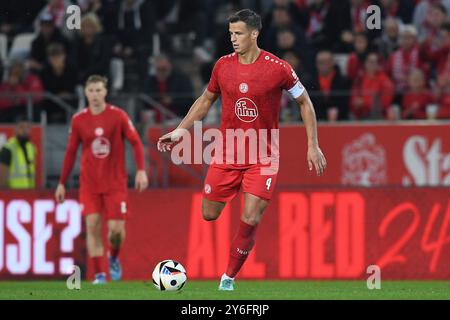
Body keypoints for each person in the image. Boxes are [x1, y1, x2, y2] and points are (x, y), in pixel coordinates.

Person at [157, 9, 327, 291]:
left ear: (254, 34)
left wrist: (313, 145)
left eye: (238, 34)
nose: (233, 39)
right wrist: (180, 130)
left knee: (250, 217)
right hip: (227, 153)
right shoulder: (222, 66)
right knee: (209, 213)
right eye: (231, 34)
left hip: (263, 155)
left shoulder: (278, 68)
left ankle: (228, 278)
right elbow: (205, 99)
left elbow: (305, 102)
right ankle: (236, 190)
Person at [55, 75, 148, 284]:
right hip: (89, 184)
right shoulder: (79, 120)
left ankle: (113, 257)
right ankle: (99, 274)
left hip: (115, 183)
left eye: (99, 90)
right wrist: (61, 182)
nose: (95, 95)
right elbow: (70, 152)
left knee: (115, 232)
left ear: (105, 92)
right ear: (85, 93)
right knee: (93, 226)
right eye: (91, 91)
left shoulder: (118, 116)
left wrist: (141, 170)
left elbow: (136, 142)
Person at [0, 120, 37, 189]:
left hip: (30, 191)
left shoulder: (31, 147)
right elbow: (2, 176)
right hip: (13, 193)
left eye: (27, 128)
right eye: (21, 127)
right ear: (15, 129)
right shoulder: (8, 148)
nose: (25, 131)